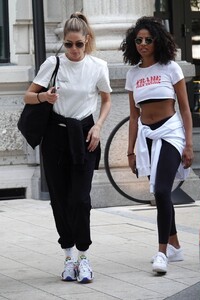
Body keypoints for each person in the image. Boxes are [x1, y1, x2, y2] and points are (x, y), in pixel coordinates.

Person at [24, 12, 112, 283]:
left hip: (85, 137)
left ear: (87, 41)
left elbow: (107, 100)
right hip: (54, 138)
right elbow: (28, 95)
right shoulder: (53, 64)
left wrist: (98, 126)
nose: (73, 50)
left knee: (81, 199)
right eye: (68, 44)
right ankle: (68, 257)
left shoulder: (98, 66)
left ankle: (84, 257)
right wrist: (44, 96)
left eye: (79, 44)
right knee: (60, 200)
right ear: (63, 43)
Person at [121, 16, 193, 274]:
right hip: (146, 137)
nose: (143, 44)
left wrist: (189, 145)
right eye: (138, 40)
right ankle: (175, 245)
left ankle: (161, 253)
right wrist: (129, 151)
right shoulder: (133, 74)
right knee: (160, 193)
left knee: (162, 191)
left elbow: (185, 109)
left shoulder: (170, 68)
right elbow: (133, 116)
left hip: (171, 134)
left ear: (157, 40)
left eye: (148, 40)